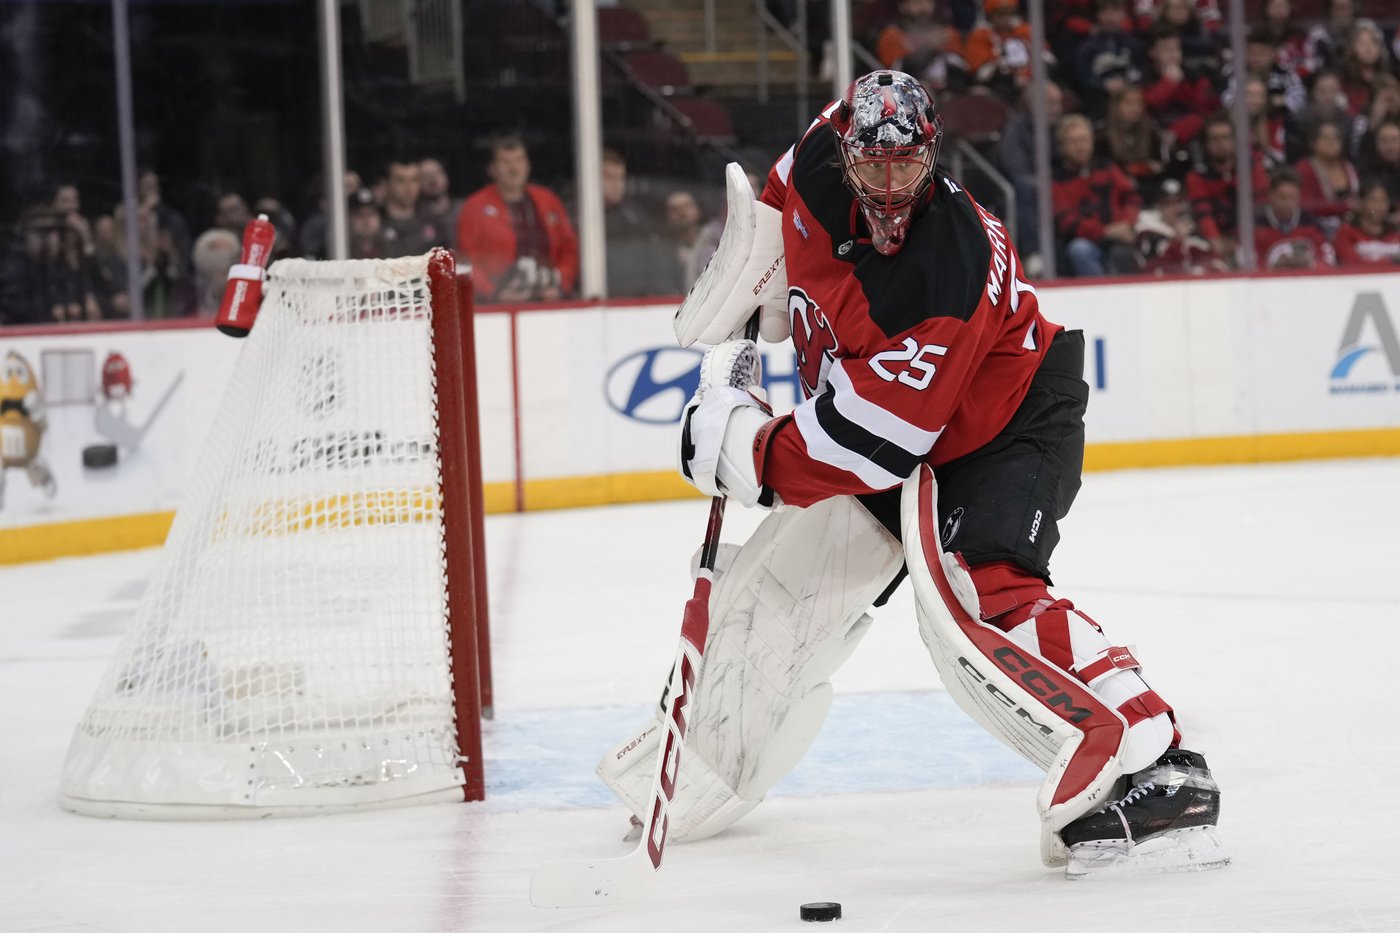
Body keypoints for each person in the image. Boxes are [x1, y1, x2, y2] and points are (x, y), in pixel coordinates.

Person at [598, 69, 1227, 878]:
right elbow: (774, 213)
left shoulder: (946, 269)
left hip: (1004, 423)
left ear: (935, 155)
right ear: (846, 153)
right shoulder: (820, 153)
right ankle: (700, 772)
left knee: (977, 593)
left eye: (909, 165)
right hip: (904, 426)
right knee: (779, 591)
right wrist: (754, 282)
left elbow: (872, 444)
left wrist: (747, 449)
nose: (892, 186)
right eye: (875, 165)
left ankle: (1157, 762)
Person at [457, 132, 579, 303]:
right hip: (499, 305)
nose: (514, 168)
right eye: (506, 162)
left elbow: (569, 248)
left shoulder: (548, 200)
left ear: (528, 165)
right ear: (492, 169)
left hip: (548, 299)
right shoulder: (475, 207)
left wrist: (561, 286)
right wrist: (494, 294)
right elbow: (466, 259)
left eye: (519, 160)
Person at [1051, 112, 1143, 276]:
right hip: (1085, 241)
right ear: (1062, 146)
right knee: (1079, 250)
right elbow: (1066, 220)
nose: (1080, 147)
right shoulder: (1057, 179)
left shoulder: (1106, 168)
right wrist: (1104, 231)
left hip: (1118, 238)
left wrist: (1127, 223)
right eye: (1074, 142)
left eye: (1084, 140)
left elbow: (1132, 197)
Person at [1253, 168, 1335, 269]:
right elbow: (1249, 263)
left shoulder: (1310, 222)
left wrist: (1310, 264)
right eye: (1282, 197)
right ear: (1271, 195)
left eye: (1292, 197)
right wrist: (1275, 267)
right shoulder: (1256, 224)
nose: (1287, 203)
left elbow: (1327, 259)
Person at [1333, 177, 1400, 265]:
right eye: (1373, 201)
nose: (1380, 207)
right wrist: (1392, 262)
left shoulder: (1395, 234)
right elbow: (1351, 264)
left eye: (1384, 201)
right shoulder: (1346, 233)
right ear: (1360, 203)